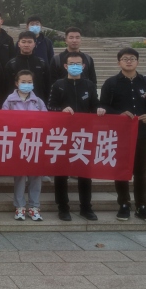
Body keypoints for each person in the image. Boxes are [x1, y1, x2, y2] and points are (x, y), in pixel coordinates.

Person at [100, 47, 146, 222]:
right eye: (125, 59)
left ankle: (142, 206)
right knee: (121, 170)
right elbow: (103, 106)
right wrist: (119, 114)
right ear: (119, 62)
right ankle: (124, 204)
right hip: (120, 135)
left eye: (132, 58)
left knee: (141, 171)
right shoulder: (111, 83)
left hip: (141, 134)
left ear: (137, 62)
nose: (129, 61)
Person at [48, 52, 104, 222]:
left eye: (78, 64)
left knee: (84, 172)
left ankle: (86, 207)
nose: (75, 66)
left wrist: (100, 109)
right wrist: (62, 110)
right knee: (61, 172)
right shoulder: (58, 85)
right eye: (71, 64)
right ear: (65, 66)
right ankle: (63, 207)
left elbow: (95, 105)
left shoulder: (89, 85)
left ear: (83, 66)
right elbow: (50, 107)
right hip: (63, 135)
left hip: (84, 135)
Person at [3, 70, 47, 221]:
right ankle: (20, 206)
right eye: (23, 82)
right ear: (17, 83)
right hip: (18, 143)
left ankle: (34, 207)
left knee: (36, 176)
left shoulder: (38, 102)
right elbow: (4, 121)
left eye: (29, 82)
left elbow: (47, 121)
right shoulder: (9, 102)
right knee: (20, 176)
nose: (26, 84)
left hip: (35, 143)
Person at [4, 31, 51, 104]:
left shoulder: (42, 63)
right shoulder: (11, 64)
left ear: (34, 44)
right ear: (19, 44)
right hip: (16, 104)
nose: (26, 45)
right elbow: (7, 87)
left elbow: (47, 85)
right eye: (23, 42)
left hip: (38, 103)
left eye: (29, 42)